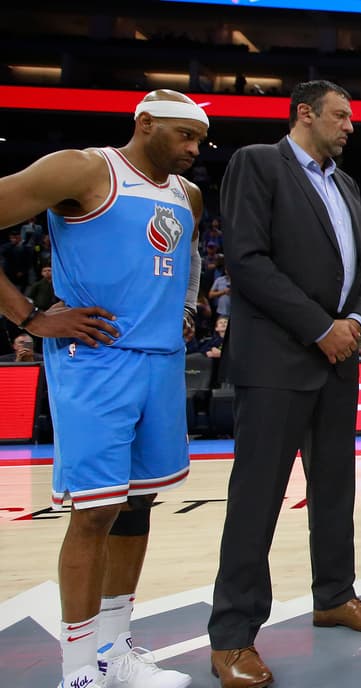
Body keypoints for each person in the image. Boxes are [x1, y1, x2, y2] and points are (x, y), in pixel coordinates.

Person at [0, 88, 205, 688]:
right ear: (145, 123)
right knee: (95, 512)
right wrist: (29, 317)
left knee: (137, 505)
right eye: (185, 135)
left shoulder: (187, 194)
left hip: (161, 363)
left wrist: (187, 307)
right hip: (96, 360)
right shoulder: (84, 169)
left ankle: (116, 652)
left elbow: (188, 257)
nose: (195, 149)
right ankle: (78, 670)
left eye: (200, 139)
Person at [209, 80, 361, 688]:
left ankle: (334, 595)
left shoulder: (346, 184)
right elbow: (247, 260)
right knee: (257, 498)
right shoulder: (258, 163)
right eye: (340, 115)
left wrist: (356, 324)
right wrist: (320, 328)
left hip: (338, 357)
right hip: (276, 360)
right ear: (304, 114)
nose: (350, 126)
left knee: (335, 488)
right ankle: (232, 636)